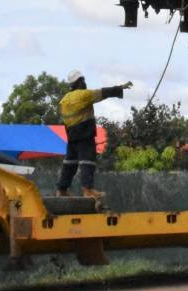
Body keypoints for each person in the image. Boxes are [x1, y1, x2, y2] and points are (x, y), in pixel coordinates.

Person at [56, 70, 132, 198]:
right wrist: (120, 88)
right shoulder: (83, 95)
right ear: (79, 82)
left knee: (70, 163)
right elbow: (102, 92)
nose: (85, 82)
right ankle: (88, 190)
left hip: (71, 136)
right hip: (85, 135)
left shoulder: (64, 100)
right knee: (88, 161)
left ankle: (62, 189)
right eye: (83, 80)